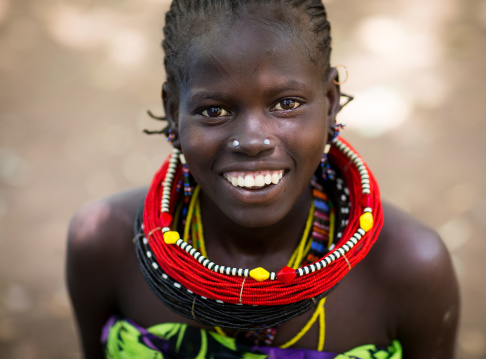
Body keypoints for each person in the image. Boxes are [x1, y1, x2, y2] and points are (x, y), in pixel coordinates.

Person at [66, 0, 460, 358]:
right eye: (214, 110)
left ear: (330, 101)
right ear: (173, 113)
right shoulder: (107, 243)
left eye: (286, 104)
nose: (253, 140)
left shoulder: (409, 268)